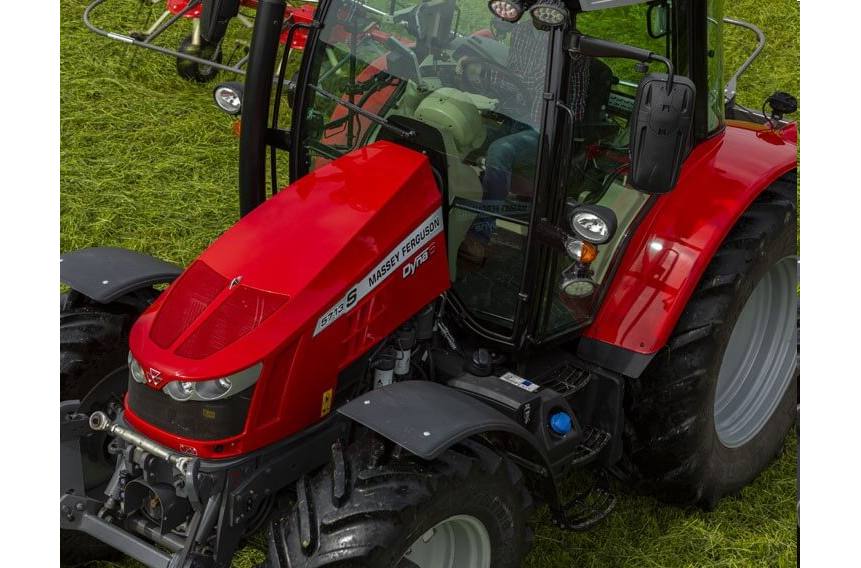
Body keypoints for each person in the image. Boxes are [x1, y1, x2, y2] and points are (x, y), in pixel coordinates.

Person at [459, 9, 592, 263]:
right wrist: (475, 74)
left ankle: (480, 235)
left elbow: (569, 106)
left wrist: (488, 73)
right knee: (459, 127)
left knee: (500, 150)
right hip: (511, 118)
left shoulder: (575, 48)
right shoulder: (521, 32)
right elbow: (513, 76)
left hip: (545, 131)